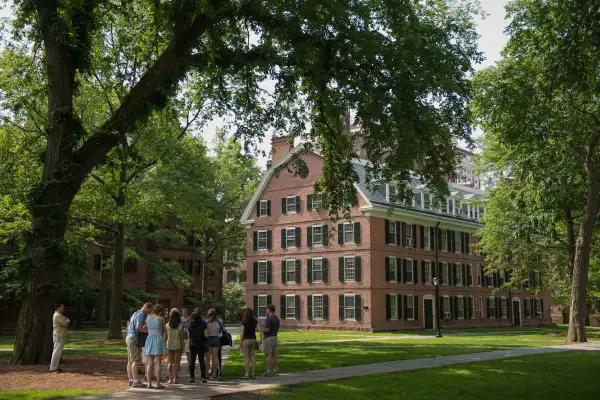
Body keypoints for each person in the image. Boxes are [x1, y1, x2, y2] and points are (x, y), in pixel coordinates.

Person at [126, 302, 153, 388]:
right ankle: (135, 381)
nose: (149, 313)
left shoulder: (135, 313)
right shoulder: (141, 314)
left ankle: (130, 380)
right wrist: (149, 331)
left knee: (130, 360)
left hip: (129, 337)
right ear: (147, 307)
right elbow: (138, 327)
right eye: (149, 311)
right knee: (135, 360)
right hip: (134, 338)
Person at [144, 304, 167, 389]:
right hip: (158, 339)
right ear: (160, 312)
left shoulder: (148, 318)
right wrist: (164, 341)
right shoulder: (160, 318)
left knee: (150, 363)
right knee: (158, 362)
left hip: (150, 339)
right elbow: (165, 332)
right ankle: (158, 383)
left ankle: (149, 384)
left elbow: (145, 327)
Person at [239, 308, 262, 379]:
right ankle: (253, 374)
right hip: (253, 340)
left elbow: (242, 333)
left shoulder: (244, 322)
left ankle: (247, 374)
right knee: (252, 356)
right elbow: (260, 330)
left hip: (246, 340)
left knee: (246, 357)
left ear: (246, 314)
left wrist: (241, 342)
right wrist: (260, 339)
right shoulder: (255, 321)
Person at [188, 308, 208, 383]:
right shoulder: (203, 324)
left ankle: (192, 377)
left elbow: (189, 335)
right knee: (201, 360)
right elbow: (206, 335)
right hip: (201, 343)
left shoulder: (190, 325)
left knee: (192, 361)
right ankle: (203, 377)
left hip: (192, 343)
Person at [165, 308, 184, 384]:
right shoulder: (180, 326)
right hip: (177, 345)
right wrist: (182, 348)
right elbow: (181, 338)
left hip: (169, 345)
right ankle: (175, 378)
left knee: (170, 362)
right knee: (176, 363)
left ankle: (170, 379)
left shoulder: (167, 325)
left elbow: (165, 337)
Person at [50, 304, 70, 373]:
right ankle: (53, 368)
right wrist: (68, 320)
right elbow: (65, 323)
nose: (63, 308)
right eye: (62, 307)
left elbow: (65, 320)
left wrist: (67, 319)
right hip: (58, 336)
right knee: (56, 352)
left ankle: (55, 367)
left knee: (58, 352)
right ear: (58, 307)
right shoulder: (57, 315)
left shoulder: (59, 314)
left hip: (60, 335)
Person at [263, 304, 280, 377]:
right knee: (274, 354)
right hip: (275, 337)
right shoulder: (277, 318)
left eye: (267, 309)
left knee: (268, 354)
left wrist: (260, 330)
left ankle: (268, 371)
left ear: (269, 310)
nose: (266, 311)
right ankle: (276, 370)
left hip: (269, 338)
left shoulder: (268, 318)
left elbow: (267, 329)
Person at [205, 308, 220, 380]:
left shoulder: (206, 322)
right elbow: (221, 330)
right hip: (216, 338)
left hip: (208, 339)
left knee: (207, 358)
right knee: (215, 357)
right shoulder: (219, 321)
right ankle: (214, 374)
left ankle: (206, 374)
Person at [181, 308, 190, 374]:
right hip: (181, 338)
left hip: (188, 338)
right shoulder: (180, 319)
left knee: (188, 353)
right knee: (179, 353)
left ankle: (189, 366)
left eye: (185, 311)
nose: (184, 313)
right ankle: (178, 366)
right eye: (183, 312)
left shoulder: (189, 319)